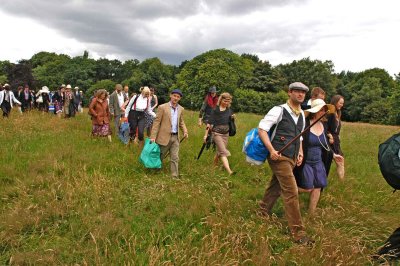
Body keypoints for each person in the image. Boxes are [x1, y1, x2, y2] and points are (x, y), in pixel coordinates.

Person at [258, 82, 314, 245]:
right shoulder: (279, 110)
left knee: (275, 187)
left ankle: (262, 212)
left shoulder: (302, 115)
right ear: (289, 93)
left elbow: (301, 136)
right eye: (297, 91)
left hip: (292, 157)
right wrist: (271, 150)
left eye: (303, 93)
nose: (300, 95)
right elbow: (262, 129)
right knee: (291, 191)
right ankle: (299, 233)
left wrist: (301, 152)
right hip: (278, 156)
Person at [294, 99, 342, 215]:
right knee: (307, 188)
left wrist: (334, 155)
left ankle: (311, 214)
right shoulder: (305, 124)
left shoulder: (323, 125)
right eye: (321, 110)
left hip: (318, 161)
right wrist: (299, 153)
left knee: (318, 187)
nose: (323, 112)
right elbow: (298, 141)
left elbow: (324, 145)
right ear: (314, 111)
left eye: (325, 110)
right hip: (306, 161)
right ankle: (288, 190)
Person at [150, 89, 188, 178]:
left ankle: (174, 176)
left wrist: (185, 131)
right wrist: (153, 136)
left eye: (178, 97)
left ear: (180, 99)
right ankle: (155, 171)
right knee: (160, 156)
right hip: (163, 137)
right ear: (170, 96)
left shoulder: (181, 109)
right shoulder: (162, 107)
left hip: (175, 137)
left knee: (175, 157)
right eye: (174, 96)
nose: (176, 98)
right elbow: (157, 122)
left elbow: (181, 122)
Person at [204, 92, 235, 175]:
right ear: (221, 100)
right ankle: (229, 171)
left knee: (219, 152)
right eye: (225, 101)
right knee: (223, 152)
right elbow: (209, 123)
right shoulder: (215, 110)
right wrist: (205, 135)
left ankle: (214, 166)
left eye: (228, 101)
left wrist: (232, 118)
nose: (226, 103)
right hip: (216, 133)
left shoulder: (229, 111)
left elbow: (231, 122)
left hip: (226, 134)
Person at [325, 95, 345, 179]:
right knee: (327, 162)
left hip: (336, 141)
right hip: (329, 140)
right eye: (340, 103)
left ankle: (342, 182)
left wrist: (338, 135)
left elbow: (336, 128)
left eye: (342, 103)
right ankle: (322, 181)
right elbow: (324, 127)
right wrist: (329, 135)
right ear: (335, 102)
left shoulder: (338, 113)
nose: (341, 105)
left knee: (341, 160)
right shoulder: (330, 113)